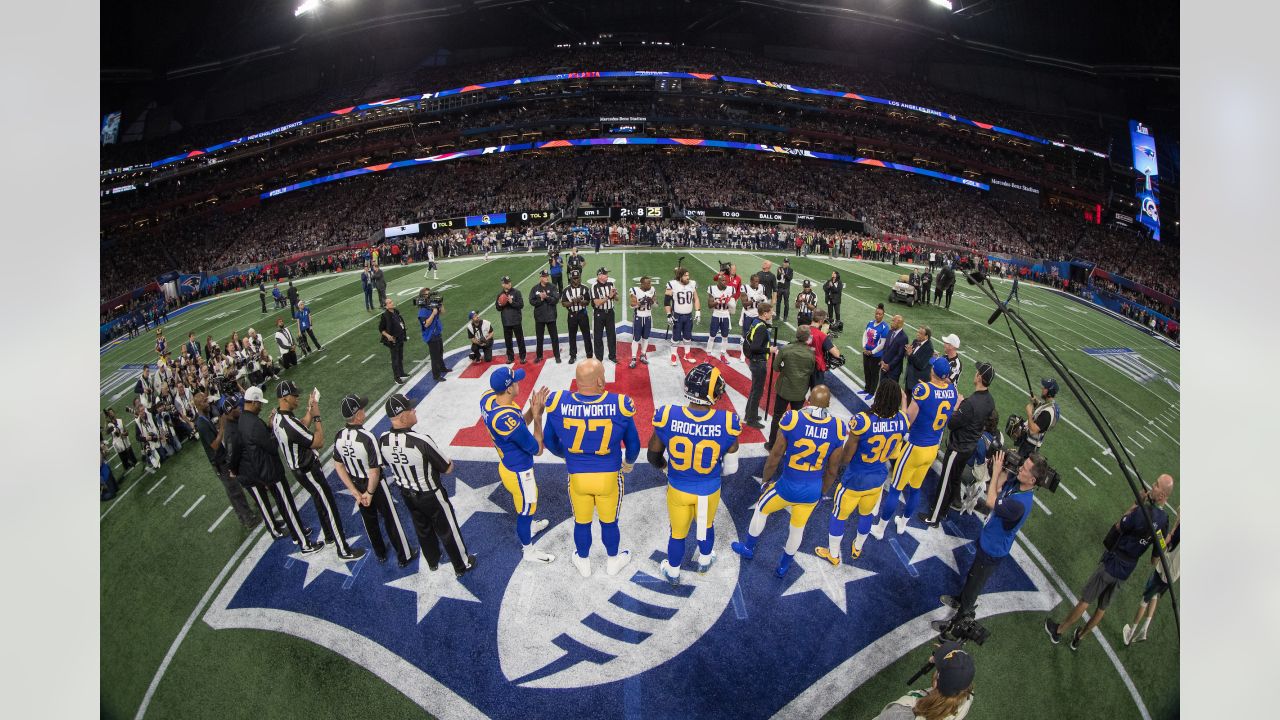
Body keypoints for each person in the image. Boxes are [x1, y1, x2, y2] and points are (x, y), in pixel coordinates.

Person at [1046, 475, 1174, 650]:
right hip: (1127, 569)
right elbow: (1154, 558)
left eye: (1157, 485)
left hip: (1113, 562)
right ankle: (1079, 637)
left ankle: (1058, 631)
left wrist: (1135, 505)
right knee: (1102, 608)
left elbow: (1120, 525)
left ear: (1162, 496)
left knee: (1086, 599)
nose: (1152, 485)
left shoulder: (1140, 513)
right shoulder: (1164, 521)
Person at [733, 385, 846, 578]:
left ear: (808, 400)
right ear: (828, 404)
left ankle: (748, 548)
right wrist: (821, 492)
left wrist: (766, 480)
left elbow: (776, 454)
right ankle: (784, 566)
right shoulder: (838, 427)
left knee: (761, 509)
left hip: (788, 485)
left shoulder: (792, 418)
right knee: (797, 528)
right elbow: (832, 469)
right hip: (812, 488)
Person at [542, 359, 641, 578]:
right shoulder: (620, 403)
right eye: (603, 374)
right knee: (609, 522)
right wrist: (629, 462)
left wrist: (566, 455)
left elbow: (549, 440)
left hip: (577, 476)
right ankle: (613, 561)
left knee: (581, 521)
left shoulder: (558, 401)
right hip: (608, 476)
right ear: (599, 380)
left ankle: (584, 562)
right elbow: (634, 444)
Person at [650, 363, 742, 585]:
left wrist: (666, 468)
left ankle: (673, 571)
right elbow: (731, 469)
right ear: (712, 394)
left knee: (677, 533)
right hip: (708, 490)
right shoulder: (727, 422)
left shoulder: (667, 415)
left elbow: (653, 456)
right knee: (705, 526)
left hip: (679, 488)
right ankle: (704, 560)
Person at [934, 449, 1047, 629]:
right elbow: (998, 487)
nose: (1020, 469)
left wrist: (995, 472)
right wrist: (1004, 469)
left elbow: (991, 501)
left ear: (1032, 480)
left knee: (974, 586)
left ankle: (958, 620)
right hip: (988, 540)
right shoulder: (1017, 484)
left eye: (1024, 469)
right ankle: (961, 600)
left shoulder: (1020, 504)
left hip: (993, 550)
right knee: (972, 576)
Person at [379, 393, 476, 576]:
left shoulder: (383, 439)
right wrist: (449, 462)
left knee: (422, 528)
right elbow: (447, 468)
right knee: (447, 529)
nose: (414, 410)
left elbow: (384, 463)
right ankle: (462, 564)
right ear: (402, 416)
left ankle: (432, 560)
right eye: (410, 409)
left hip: (406, 493)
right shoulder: (420, 441)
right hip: (430, 494)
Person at [271, 380, 365, 561]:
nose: (297, 397)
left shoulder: (279, 418)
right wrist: (317, 417)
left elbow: (299, 427)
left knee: (319, 500)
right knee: (329, 504)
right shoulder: (289, 423)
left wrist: (309, 410)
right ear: (285, 397)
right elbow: (318, 441)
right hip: (307, 469)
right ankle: (343, 549)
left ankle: (329, 536)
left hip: (299, 468)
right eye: (294, 394)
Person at [817, 378, 908, 564]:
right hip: (878, 478)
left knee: (839, 515)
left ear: (879, 395)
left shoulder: (862, 421)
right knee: (866, 515)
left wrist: (835, 464)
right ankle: (857, 547)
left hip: (855, 478)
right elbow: (896, 450)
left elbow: (847, 456)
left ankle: (833, 554)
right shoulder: (902, 420)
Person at [875, 357, 959, 537]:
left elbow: (907, 420)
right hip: (932, 449)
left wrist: (905, 399)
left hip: (916, 446)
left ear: (932, 371)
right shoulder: (952, 391)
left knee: (896, 488)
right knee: (915, 488)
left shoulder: (923, 390)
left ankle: (880, 528)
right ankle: (903, 523)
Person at [231, 386, 320, 552]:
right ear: (254, 403)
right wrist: (274, 429)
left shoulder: (243, 420)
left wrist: (270, 427)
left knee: (282, 504)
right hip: (271, 471)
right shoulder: (254, 424)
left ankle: (296, 532)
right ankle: (304, 543)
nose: (261, 407)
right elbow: (271, 446)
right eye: (259, 403)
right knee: (287, 505)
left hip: (263, 471)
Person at [332, 394, 415, 567]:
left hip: (355, 482)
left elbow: (338, 466)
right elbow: (374, 470)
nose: (364, 409)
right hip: (374, 485)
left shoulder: (339, 436)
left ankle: (380, 553)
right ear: (358, 415)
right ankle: (404, 555)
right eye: (361, 408)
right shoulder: (367, 437)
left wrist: (355, 491)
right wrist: (370, 492)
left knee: (369, 521)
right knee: (390, 518)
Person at [483, 367, 555, 564]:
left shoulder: (489, 398)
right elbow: (537, 449)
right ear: (508, 389)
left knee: (526, 505)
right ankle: (528, 550)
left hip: (507, 463)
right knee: (526, 510)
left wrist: (531, 412)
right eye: (515, 381)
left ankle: (530, 526)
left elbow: (517, 423)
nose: (518, 383)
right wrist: (538, 416)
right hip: (519, 472)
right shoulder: (506, 419)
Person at [921, 362, 997, 527]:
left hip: (957, 447)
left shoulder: (971, 403)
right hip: (969, 447)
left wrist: (956, 406)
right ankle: (945, 510)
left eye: (977, 372)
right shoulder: (990, 401)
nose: (975, 374)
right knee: (954, 481)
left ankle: (933, 518)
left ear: (979, 377)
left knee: (945, 482)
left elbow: (952, 423)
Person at [194, 392, 258, 529]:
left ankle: (243, 517)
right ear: (199, 405)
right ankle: (248, 519)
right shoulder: (202, 424)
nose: (208, 403)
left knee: (232, 491)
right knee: (235, 490)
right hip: (219, 462)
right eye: (205, 401)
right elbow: (215, 445)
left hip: (220, 461)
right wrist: (222, 427)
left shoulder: (204, 419)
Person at [872, 640, 975, 720]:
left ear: (936, 683)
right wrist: (942, 657)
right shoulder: (966, 696)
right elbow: (958, 676)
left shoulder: (903, 713)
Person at [1123, 511, 1180, 645]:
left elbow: (1168, 541)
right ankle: (1145, 628)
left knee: (1145, 599)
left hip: (1164, 569)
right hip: (1173, 576)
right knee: (1155, 595)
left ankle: (1131, 633)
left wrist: (1177, 520)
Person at [768, 326, 816, 446]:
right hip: (800, 392)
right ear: (807, 338)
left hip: (784, 389)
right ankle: (793, 444)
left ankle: (771, 443)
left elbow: (775, 367)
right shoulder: (811, 354)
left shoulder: (786, 349)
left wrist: (785, 368)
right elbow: (811, 372)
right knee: (797, 420)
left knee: (777, 417)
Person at [742, 302, 774, 430]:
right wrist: (769, 350)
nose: (772, 314)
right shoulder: (761, 328)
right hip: (758, 362)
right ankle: (751, 419)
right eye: (770, 312)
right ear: (765, 313)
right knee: (757, 391)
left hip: (754, 361)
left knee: (754, 390)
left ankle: (749, 414)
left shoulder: (756, 322)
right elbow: (756, 348)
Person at [665, 266, 700, 365]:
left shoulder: (692, 284)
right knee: (676, 337)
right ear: (680, 276)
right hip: (677, 316)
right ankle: (673, 355)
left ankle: (687, 354)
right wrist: (668, 314)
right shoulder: (672, 284)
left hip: (688, 315)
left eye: (688, 275)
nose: (688, 277)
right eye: (685, 276)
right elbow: (667, 301)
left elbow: (696, 298)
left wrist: (698, 311)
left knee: (688, 336)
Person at [1018, 378, 1060, 456]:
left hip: (1029, 447)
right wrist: (1035, 401)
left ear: (1049, 392)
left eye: (1045, 388)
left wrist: (1029, 413)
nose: (1042, 389)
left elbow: (1033, 430)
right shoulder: (1052, 405)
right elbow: (1042, 409)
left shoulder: (1047, 413)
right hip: (1030, 445)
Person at [561, 269, 594, 363]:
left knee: (586, 334)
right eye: (574, 278)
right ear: (571, 278)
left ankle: (589, 354)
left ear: (580, 277)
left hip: (582, 313)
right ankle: (573, 355)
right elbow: (563, 303)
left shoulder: (585, 288)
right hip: (572, 314)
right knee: (572, 336)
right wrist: (572, 302)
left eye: (577, 278)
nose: (576, 280)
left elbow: (587, 302)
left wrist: (580, 301)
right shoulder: (566, 289)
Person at [529, 271, 562, 364]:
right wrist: (541, 299)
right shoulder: (535, 289)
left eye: (547, 276)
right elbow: (531, 301)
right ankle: (539, 356)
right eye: (544, 276)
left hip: (551, 316)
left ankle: (557, 356)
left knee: (554, 337)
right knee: (539, 338)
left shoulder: (552, 287)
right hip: (539, 317)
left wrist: (546, 297)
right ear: (540, 277)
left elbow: (555, 300)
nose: (546, 278)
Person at [496, 275, 528, 364]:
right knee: (508, 341)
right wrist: (501, 304)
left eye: (509, 282)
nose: (509, 284)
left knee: (520, 339)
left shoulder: (517, 292)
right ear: (502, 284)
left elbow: (521, 305)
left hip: (516, 320)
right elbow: (498, 308)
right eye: (506, 283)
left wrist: (511, 302)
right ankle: (510, 357)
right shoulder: (500, 295)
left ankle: (523, 357)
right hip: (506, 321)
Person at [590, 267, 619, 363]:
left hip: (610, 312)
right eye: (605, 274)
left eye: (607, 273)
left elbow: (617, 299)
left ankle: (612, 356)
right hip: (599, 313)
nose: (607, 275)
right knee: (598, 336)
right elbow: (597, 302)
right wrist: (609, 296)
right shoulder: (594, 286)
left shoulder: (611, 284)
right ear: (599, 275)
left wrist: (615, 295)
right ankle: (599, 358)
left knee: (612, 335)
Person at [628, 275, 657, 368]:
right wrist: (641, 302)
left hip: (648, 317)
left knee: (645, 337)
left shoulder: (652, 289)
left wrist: (652, 302)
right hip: (638, 317)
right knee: (636, 338)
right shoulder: (635, 290)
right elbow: (632, 305)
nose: (650, 284)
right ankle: (633, 358)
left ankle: (643, 355)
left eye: (650, 282)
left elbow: (656, 304)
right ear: (642, 284)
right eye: (648, 283)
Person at [419, 289, 447, 382]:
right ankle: (436, 375)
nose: (430, 295)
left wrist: (440, 303)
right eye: (428, 293)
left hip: (437, 332)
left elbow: (443, 312)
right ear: (423, 296)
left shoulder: (432, 305)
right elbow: (426, 324)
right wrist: (433, 313)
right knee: (434, 356)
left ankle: (442, 368)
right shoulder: (422, 311)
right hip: (430, 335)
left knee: (440, 352)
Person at [807, 309, 840, 388]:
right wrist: (831, 342)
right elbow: (836, 354)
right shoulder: (822, 336)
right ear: (821, 321)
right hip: (816, 367)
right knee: (816, 393)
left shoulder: (802, 329)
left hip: (803, 363)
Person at [379, 298, 409, 383]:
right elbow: (381, 329)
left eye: (391, 301)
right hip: (393, 341)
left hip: (400, 338)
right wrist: (388, 336)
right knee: (395, 359)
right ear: (386, 306)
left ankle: (401, 372)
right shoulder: (385, 316)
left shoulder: (396, 311)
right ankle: (396, 377)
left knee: (400, 357)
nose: (392, 303)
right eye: (389, 303)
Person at [706, 274, 735, 362]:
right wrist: (718, 301)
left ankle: (723, 354)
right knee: (712, 335)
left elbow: (733, 305)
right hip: (716, 314)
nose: (724, 283)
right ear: (718, 281)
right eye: (722, 281)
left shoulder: (730, 289)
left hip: (726, 315)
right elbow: (710, 305)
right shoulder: (712, 289)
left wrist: (729, 302)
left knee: (725, 336)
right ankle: (708, 354)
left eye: (725, 281)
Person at [862, 304, 890, 392]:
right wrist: (864, 347)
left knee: (874, 373)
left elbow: (882, 344)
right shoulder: (870, 323)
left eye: (880, 314)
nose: (878, 315)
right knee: (867, 371)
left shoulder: (885, 327)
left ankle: (872, 391)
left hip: (876, 355)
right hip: (866, 352)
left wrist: (872, 352)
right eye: (877, 313)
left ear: (883, 315)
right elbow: (865, 335)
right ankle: (867, 389)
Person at [104, 408, 139, 474]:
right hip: (118, 443)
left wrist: (125, 433)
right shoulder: (109, 425)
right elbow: (111, 433)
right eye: (109, 413)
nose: (111, 414)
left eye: (112, 412)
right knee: (125, 462)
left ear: (114, 413)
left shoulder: (120, 420)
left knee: (134, 460)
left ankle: (132, 461)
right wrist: (106, 420)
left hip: (125, 439)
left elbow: (125, 429)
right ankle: (127, 465)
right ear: (108, 415)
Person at [904, 326, 935, 394]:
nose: (918, 334)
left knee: (913, 402)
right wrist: (907, 353)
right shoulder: (916, 341)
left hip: (917, 381)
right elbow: (909, 356)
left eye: (920, 333)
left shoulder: (929, 348)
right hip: (909, 377)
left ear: (926, 336)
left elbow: (921, 365)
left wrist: (911, 354)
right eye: (918, 332)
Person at [880, 315, 909, 387]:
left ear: (899, 323)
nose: (891, 322)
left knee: (890, 392)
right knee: (882, 388)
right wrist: (882, 361)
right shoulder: (890, 332)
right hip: (883, 367)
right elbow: (885, 348)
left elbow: (900, 355)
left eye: (893, 321)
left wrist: (889, 366)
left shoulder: (904, 337)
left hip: (893, 371)